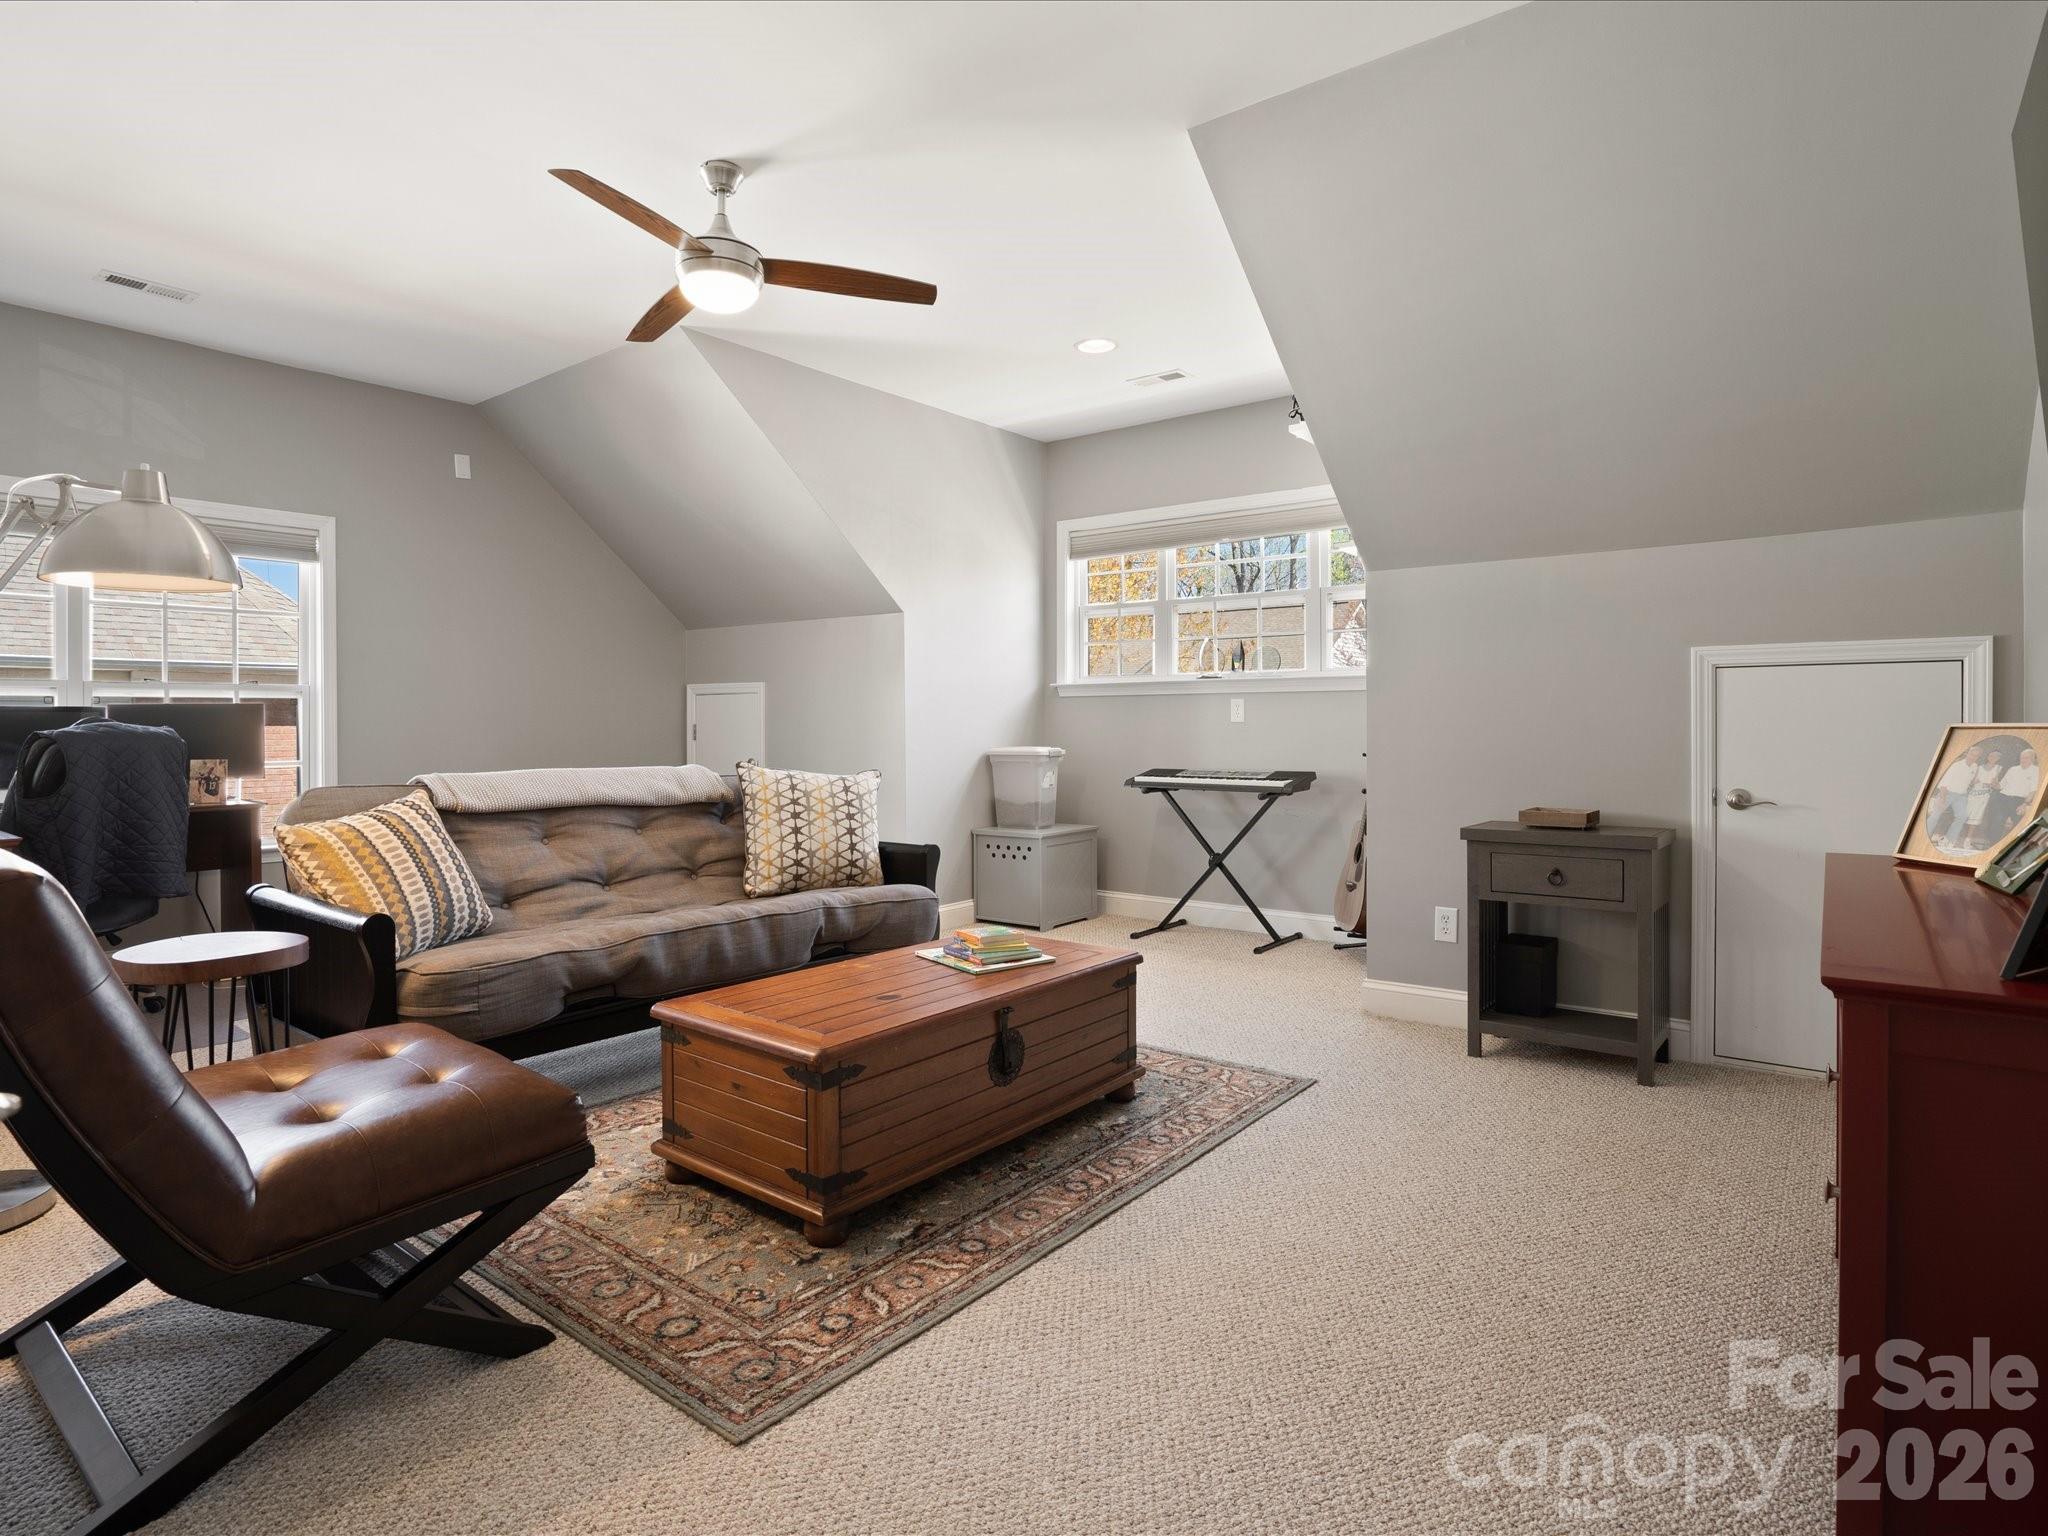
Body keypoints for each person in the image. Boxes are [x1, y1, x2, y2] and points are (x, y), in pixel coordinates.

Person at [1929, 745, 1982, 847]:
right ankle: (1924, 838)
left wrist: (1973, 783)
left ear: (1978, 757)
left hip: (1961, 796)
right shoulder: (1956, 766)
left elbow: (1968, 782)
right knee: (1935, 815)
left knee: (1962, 817)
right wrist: (1942, 799)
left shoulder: (1975, 766)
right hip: (1947, 793)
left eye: (1976, 756)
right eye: (1971, 754)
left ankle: (1948, 840)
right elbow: (1944, 784)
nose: (1972, 757)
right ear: (1967, 753)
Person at [1990, 748, 2041, 848]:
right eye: (2021, 757)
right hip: (2003, 798)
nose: (2023, 760)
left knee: (2018, 827)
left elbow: (2033, 790)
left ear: (2032, 759)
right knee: (1997, 821)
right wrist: (1995, 784)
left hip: (2019, 801)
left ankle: (2009, 850)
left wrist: (2025, 804)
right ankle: (1993, 847)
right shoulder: (2013, 769)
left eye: (2026, 758)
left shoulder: (2036, 771)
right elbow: (2001, 786)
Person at [1963, 749, 2005, 851]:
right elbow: (1972, 782)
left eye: (1995, 757)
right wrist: (1974, 782)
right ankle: (1954, 837)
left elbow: (1998, 785)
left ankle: (1968, 839)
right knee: (1964, 815)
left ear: (1998, 759)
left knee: (1976, 816)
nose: (1992, 758)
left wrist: (1992, 784)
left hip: (1986, 796)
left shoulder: (1999, 768)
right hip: (1973, 793)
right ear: (1987, 756)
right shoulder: (1979, 767)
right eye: (1990, 756)